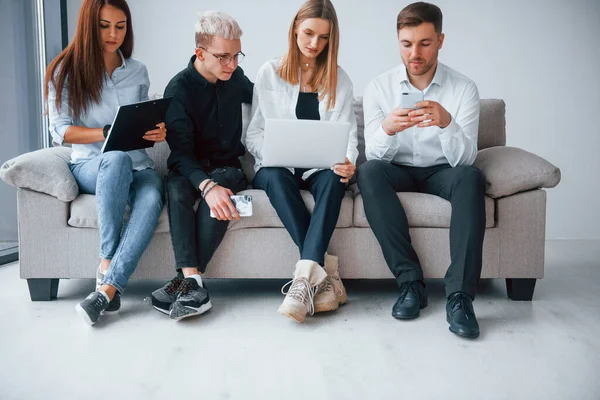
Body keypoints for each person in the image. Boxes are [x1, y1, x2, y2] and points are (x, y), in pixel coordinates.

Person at [357, 2, 484, 338]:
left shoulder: (463, 88)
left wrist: (447, 124)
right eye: (407, 43)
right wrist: (386, 128)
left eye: (425, 43)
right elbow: (373, 154)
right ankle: (411, 284)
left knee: (472, 178)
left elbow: (465, 160)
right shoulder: (379, 88)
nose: (415, 53)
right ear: (398, 42)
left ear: (440, 41)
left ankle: (459, 297)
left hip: (443, 171)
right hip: (397, 169)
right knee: (368, 172)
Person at [45, 0, 166, 326]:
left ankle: (108, 289)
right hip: (91, 165)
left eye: (120, 26)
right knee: (113, 159)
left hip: (138, 163)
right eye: (104, 26)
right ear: (89, 26)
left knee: (153, 196)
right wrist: (105, 132)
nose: (113, 34)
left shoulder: (137, 70)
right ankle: (105, 262)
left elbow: (141, 119)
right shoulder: (65, 70)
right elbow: (60, 130)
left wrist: (157, 131)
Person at [245, 0, 358, 323]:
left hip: (319, 167)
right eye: (308, 34)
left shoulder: (341, 79)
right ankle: (323, 273)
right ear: (295, 28)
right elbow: (253, 134)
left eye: (323, 38)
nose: (314, 44)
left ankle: (303, 281)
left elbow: (349, 134)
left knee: (335, 180)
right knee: (277, 177)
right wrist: (274, 152)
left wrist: (349, 160)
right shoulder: (269, 72)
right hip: (276, 168)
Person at [149, 11, 253, 321]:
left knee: (222, 190)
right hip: (190, 169)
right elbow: (180, 154)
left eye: (236, 56)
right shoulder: (178, 90)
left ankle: (185, 283)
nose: (231, 64)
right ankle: (193, 284)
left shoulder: (237, 77)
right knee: (176, 188)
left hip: (229, 169)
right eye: (223, 57)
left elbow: (268, 101)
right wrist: (206, 187)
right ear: (200, 53)